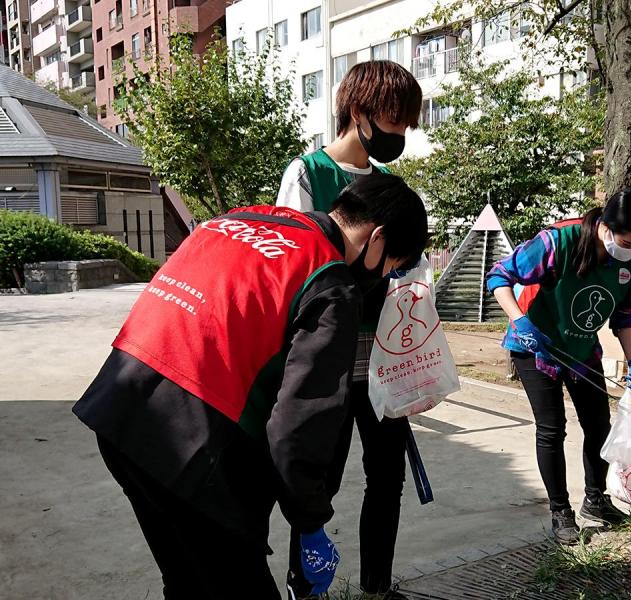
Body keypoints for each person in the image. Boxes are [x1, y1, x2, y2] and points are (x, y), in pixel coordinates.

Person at [72, 173, 428, 600]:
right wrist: (311, 523)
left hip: (118, 408)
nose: (387, 277)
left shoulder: (242, 219)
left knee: (188, 579)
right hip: (190, 446)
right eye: (394, 265)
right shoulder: (331, 282)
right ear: (378, 238)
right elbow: (298, 428)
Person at [277, 60, 423, 599]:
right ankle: (304, 587)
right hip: (328, 359)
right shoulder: (308, 174)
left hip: (383, 359)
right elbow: (293, 270)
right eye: (393, 119)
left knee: (387, 477)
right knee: (322, 478)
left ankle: (377, 588)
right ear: (358, 112)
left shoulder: (388, 187)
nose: (400, 134)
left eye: (406, 123)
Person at [486, 187, 631, 545]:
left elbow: (626, 317)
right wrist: (519, 320)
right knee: (552, 429)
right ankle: (560, 511)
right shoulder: (558, 241)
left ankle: (596, 500)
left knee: (599, 425)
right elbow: (500, 276)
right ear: (606, 229)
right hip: (535, 346)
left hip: (581, 349)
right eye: (627, 242)